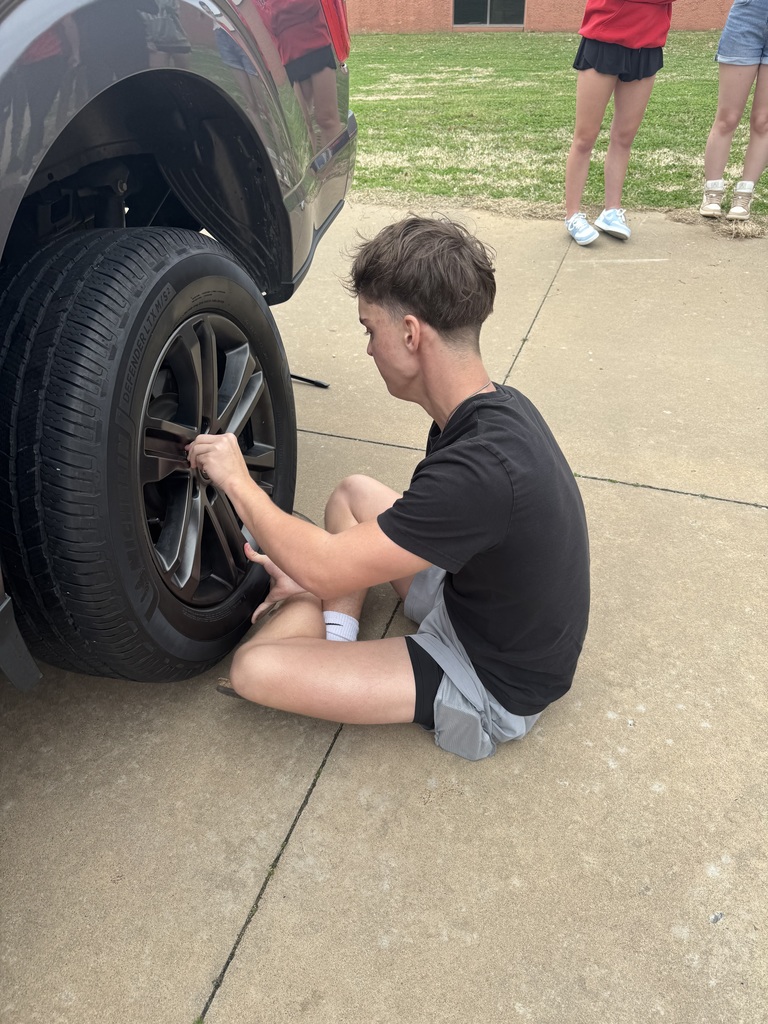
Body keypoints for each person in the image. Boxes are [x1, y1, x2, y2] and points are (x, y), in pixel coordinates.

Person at [186, 217, 591, 762]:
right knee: (351, 493)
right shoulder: (490, 409)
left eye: (369, 330)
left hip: (491, 681)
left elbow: (330, 567)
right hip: (474, 601)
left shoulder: (480, 470)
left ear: (409, 333)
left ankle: (316, 615)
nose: (369, 350)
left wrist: (237, 482)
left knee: (254, 669)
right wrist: (316, 567)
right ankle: (336, 635)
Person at [564, 0, 678, 245]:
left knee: (624, 137)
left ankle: (611, 211)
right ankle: (572, 215)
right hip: (604, 40)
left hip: (647, 45)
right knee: (585, 137)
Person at [700, 0, 768, 221]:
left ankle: (744, 194)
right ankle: (712, 192)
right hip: (748, 15)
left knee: (763, 120)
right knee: (727, 117)